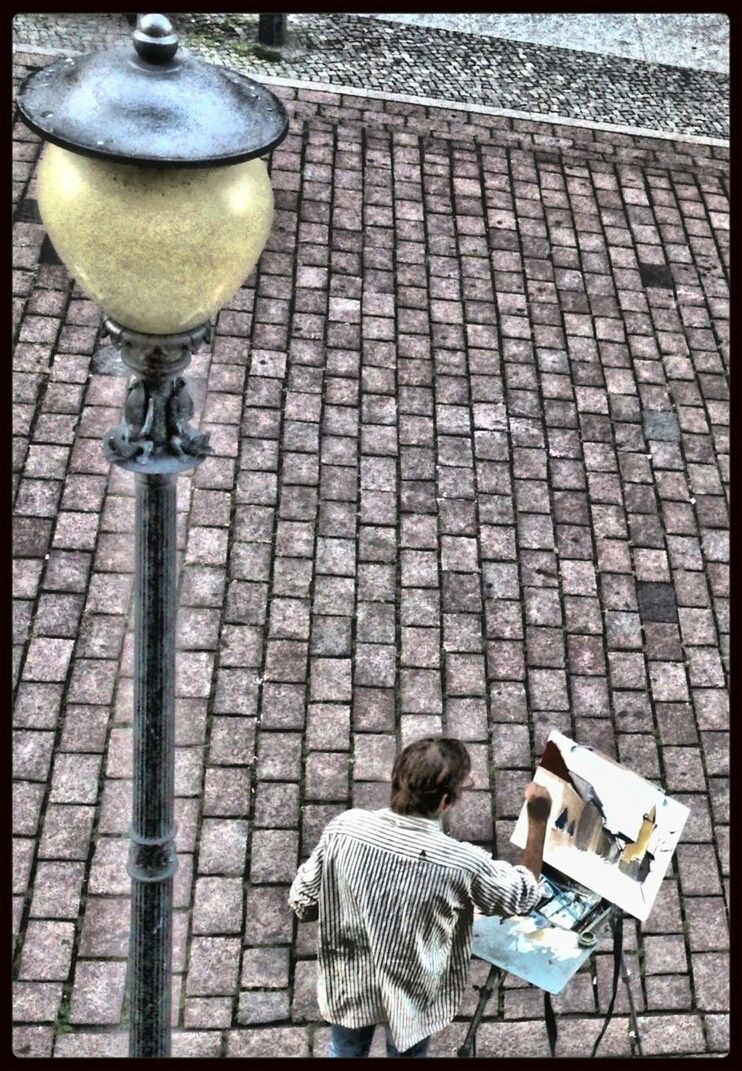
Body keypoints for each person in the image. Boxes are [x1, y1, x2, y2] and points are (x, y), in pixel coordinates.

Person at [288, 736, 552, 1058]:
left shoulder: (343, 829)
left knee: (344, 1050)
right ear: (444, 802)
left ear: (396, 779)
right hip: (412, 997)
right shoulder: (462, 864)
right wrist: (538, 821)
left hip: (349, 982)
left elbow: (303, 903)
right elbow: (523, 895)